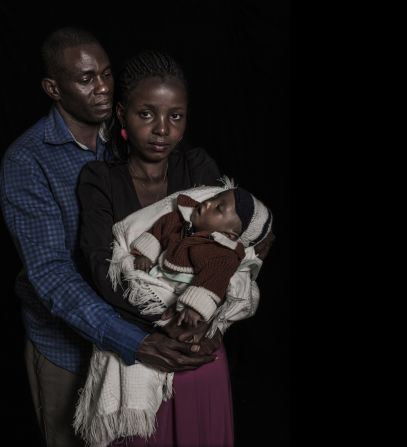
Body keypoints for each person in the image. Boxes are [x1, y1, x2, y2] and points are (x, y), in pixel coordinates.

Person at [0, 29, 215, 447]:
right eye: (85, 79)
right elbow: (50, 274)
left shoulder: (127, 133)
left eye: (106, 74)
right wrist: (133, 340)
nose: (100, 87)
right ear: (53, 89)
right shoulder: (28, 161)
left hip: (146, 340)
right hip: (68, 347)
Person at [76, 49, 274, 447]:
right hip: (140, 349)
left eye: (176, 116)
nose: (162, 129)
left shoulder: (197, 168)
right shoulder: (100, 179)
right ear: (121, 113)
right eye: (146, 114)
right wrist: (165, 323)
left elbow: (238, 251)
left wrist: (210, 324)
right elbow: (101, 266)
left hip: (197, 350)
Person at [129, 187, 273, 328]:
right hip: (156, 275)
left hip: (185, 288)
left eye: (218, 208)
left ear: (229, 235)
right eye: (213, 198)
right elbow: (160, 229)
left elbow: (213, 279)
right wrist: (145, 254)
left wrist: (194, 307)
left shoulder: (222, 253)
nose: (207, 203)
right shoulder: (180, 218)